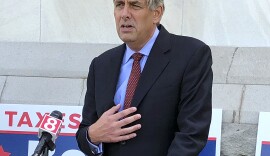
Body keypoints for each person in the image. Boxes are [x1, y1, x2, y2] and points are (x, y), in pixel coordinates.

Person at [76, 0, 213, 155]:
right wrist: (93, 135)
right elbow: (84, 134)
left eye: (135, 5)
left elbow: (192, 134)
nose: (125, 14)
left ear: (157, 13)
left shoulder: (191, 54)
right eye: (120, 5)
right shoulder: (100, 64)